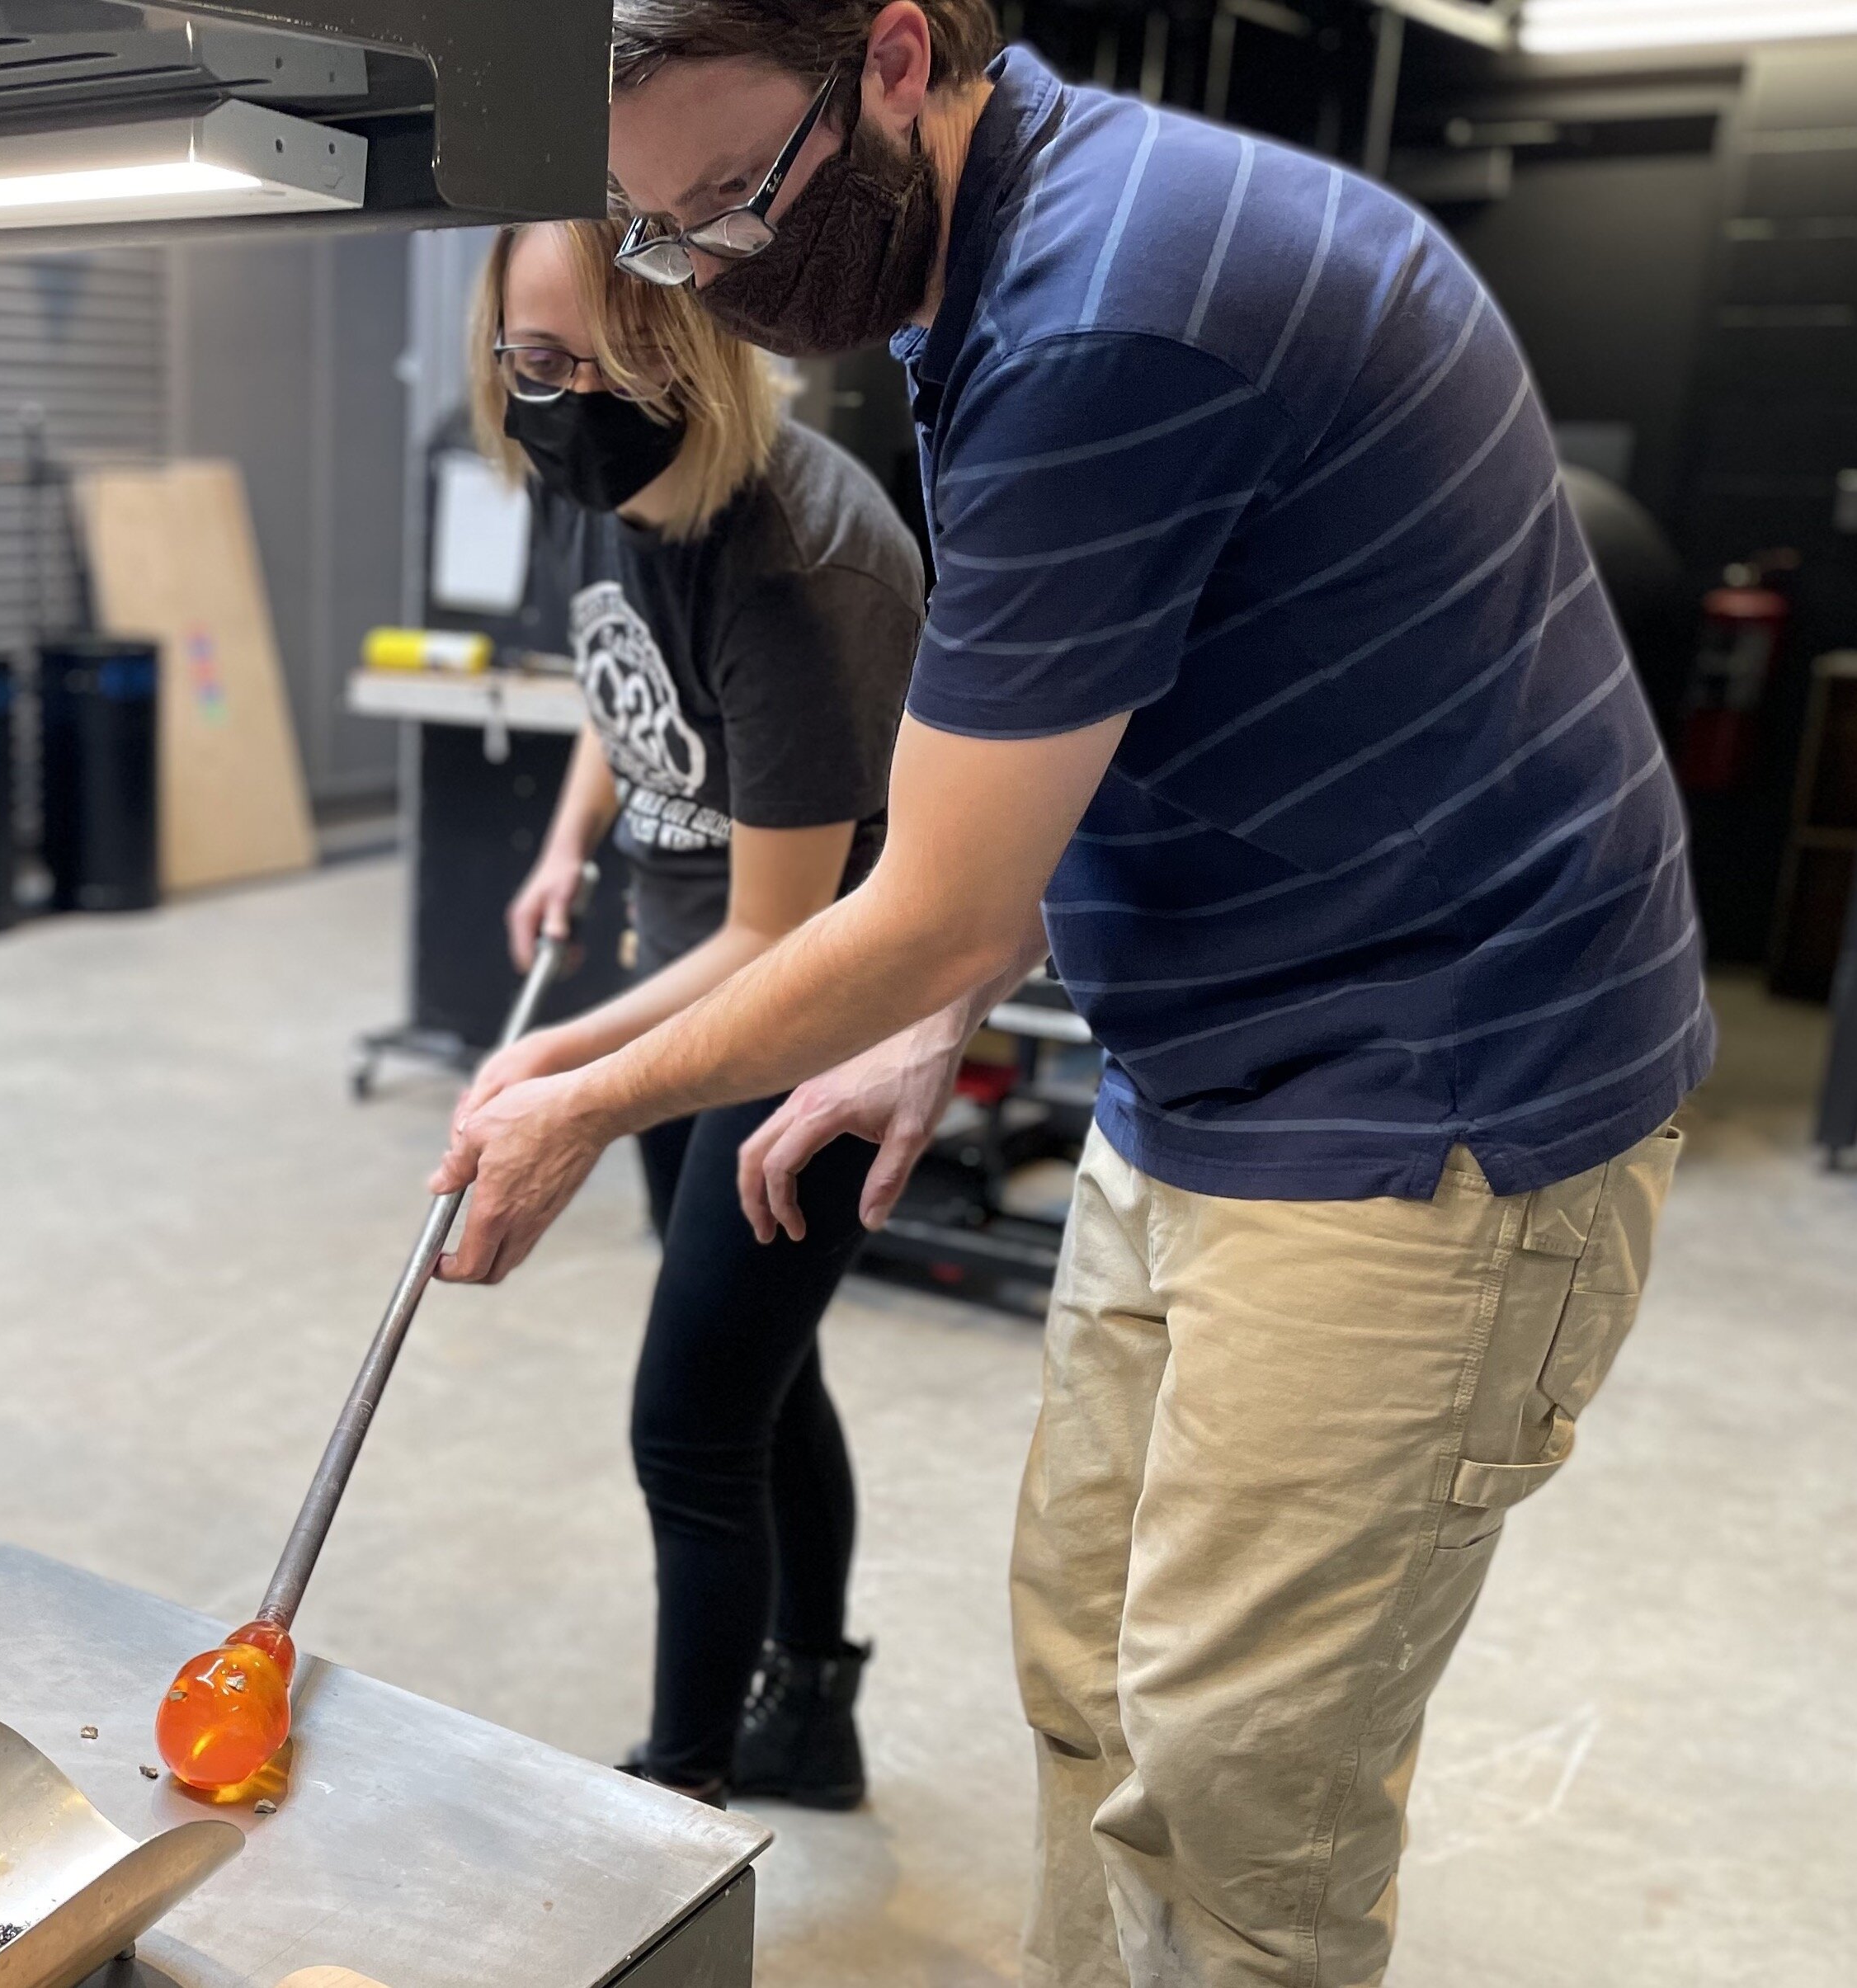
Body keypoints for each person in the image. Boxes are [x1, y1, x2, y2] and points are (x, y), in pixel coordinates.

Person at [432, 7, 1707, 1985]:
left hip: (1428, 1109)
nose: (717, 279)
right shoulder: (984, 261)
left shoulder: (1111, 309)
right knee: (1085, 1666)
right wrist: (933, 1012)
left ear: (891, 53)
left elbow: (922, 897)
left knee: (1229, 1807)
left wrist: (579, 1096)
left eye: (730, 204)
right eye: (657, 236)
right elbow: (1088, 732)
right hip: (1201, 1059)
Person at [461, 219, 925, 1806]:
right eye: (540, 362)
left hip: (807, 1031)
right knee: (758, 1376)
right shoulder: (604, 490)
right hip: (691, 1008)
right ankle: (808, 1710)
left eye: (620, 359)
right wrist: (564, 842)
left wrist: (568, 1061)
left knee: (688, 1424)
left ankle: (674, 1803)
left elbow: (777, 936)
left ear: (706, 350)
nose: (573, 397)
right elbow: (629, 679)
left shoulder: (800, 562)